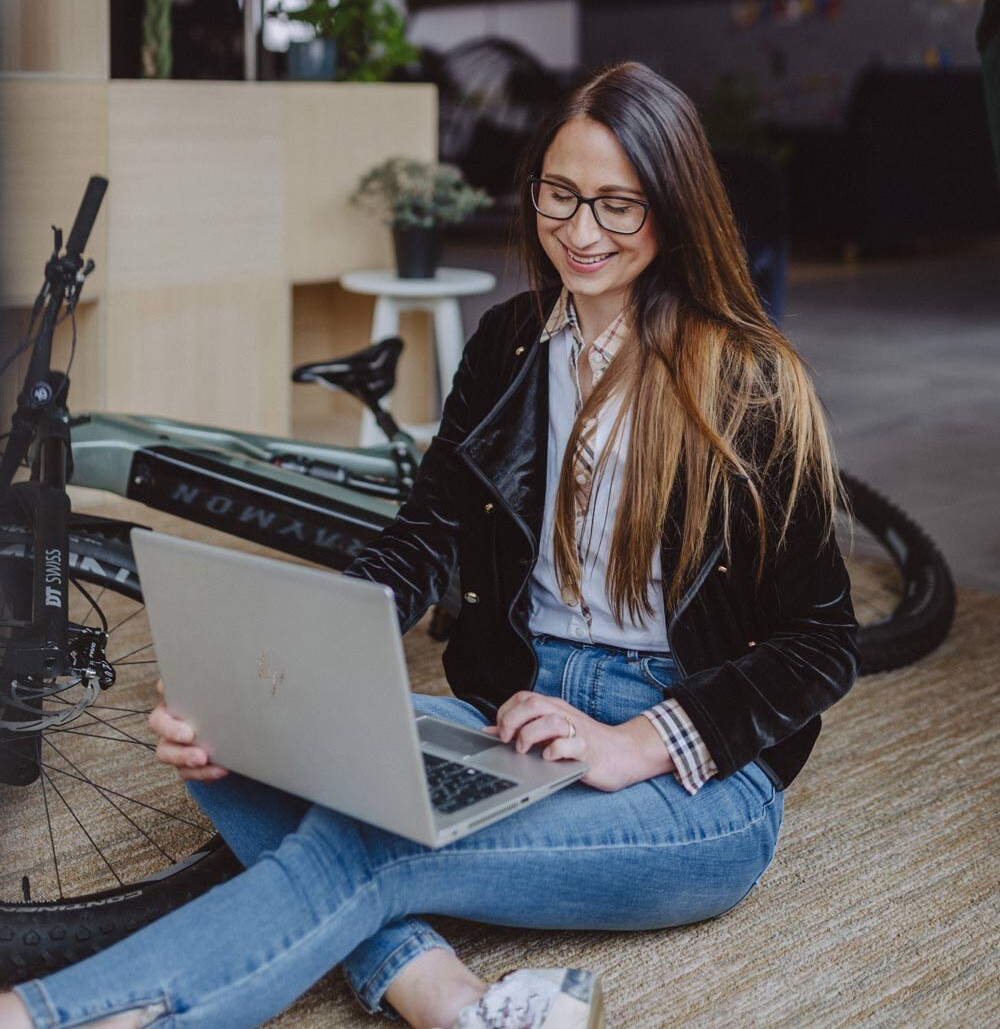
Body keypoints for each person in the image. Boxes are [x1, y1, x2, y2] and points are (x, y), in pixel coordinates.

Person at [0, 62, 858, 1029]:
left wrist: (636, 741)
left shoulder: (749, 383)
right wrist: (277, 671)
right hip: (513, 717)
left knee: (375, 846)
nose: (580, 232)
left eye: (619, 206)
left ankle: (44, 1017)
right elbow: (419, 541)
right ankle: (453, 1001)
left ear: (676, 207)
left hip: (698, 782)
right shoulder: (508, 345)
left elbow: (824, 643)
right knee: (236, 740)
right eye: (560, 195)